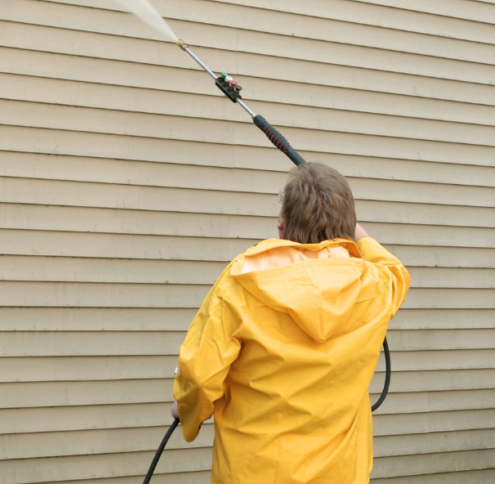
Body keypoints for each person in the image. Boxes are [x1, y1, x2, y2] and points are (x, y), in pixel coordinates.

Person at [171, 162, 411, 483]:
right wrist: (349, 226)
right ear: (348, 226)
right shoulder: (377, 286)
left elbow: (200, 378)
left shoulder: (242, 282)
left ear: (282, 226)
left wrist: (188, 412)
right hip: (340, 475)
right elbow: (392, 265)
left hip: (254, 474)